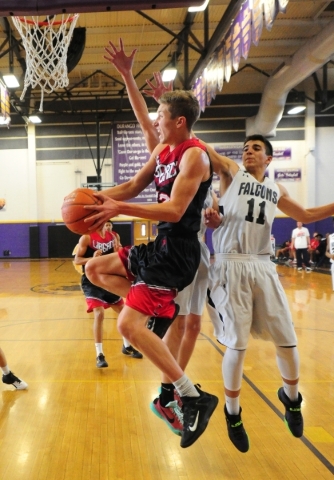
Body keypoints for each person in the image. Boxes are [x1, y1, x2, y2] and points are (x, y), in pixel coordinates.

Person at [83, 79, 218, 448]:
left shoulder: (194, 155)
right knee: (94, 269)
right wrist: (89, 197)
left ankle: (191, 396)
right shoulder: (163, 151)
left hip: (178, 253)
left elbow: (174, 211)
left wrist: (118, 208)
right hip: (158, 246)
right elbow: (128, 187)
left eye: (161, 115)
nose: (155, 121)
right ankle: (159, 312)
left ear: (179, 122)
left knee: (128, 326)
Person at [204, 134, 334, 453]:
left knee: (287, 340)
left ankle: (291, 399)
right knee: (237, 345)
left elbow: (306, 214)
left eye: (256, 148)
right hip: (230, 266)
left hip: (262, 266)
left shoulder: (277, 189)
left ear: (268, 159)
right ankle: (233, 414)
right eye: (246, 147)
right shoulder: (231, 172)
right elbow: (204, 149)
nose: (249, 151)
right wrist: (181, 116)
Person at [74, 221, 143, 367]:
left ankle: (127, 346)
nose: (107, 225)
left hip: (108, 278)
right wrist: (92, 259)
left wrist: (119, 252)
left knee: (124, 312)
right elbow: (77, 260)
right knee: (99, 314)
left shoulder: (113, 236)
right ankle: (99, 354)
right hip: (91, 279)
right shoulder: (86, 237)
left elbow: (116, 256)